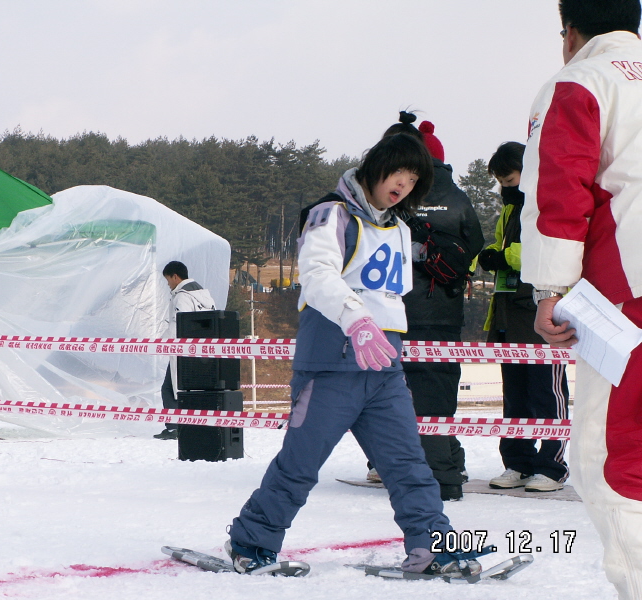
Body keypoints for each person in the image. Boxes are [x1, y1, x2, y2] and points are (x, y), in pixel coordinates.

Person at [225, 134, 490, 578]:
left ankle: (433, 548)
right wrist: (357, 320)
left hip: (384, 370)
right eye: (398, 174)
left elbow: (393, 295)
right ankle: (251, 542)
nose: (403, 185)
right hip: (331, 365)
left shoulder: (400, 229)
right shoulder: (332, 214)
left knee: (409, 465)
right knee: (300, 464)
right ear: (376, 167)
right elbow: (316, 275)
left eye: (412, 180)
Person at [519, 1, 642, 597]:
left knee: (613, 454)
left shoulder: (582, 81)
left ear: (570, 32)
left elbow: (559, 192)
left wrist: (550, 291)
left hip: (629, 297)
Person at [366, 112, 484, 501]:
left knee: (390, 394)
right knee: (439, 395)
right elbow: (476, 244)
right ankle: (450, 462)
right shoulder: (459, 196)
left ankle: (439, 478)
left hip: (397, 310)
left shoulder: (395, 194)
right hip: (445, 312)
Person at [478, 142, 570, 494]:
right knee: (514, 395)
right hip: (508, 309)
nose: (505, 187)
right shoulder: (510, 209)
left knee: (546, 392)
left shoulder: (545, 200)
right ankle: (517, 460)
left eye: (510, 178)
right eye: (500, 181)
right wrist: (489, 256)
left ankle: (552, 464)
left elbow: (550, 247)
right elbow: (504, 248)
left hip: (542, 310)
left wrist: (507, 256)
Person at [154, 261, 216, 440]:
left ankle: (174, 427)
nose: (168, 285)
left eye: (168, 280)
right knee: (191, 390)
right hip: (202, 351)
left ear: (175, 276)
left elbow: (178, 324)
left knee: (170, 388)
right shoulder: (204, 295)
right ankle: (192, 423)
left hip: (182, 351)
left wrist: (165, 344)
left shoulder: (182, 297)